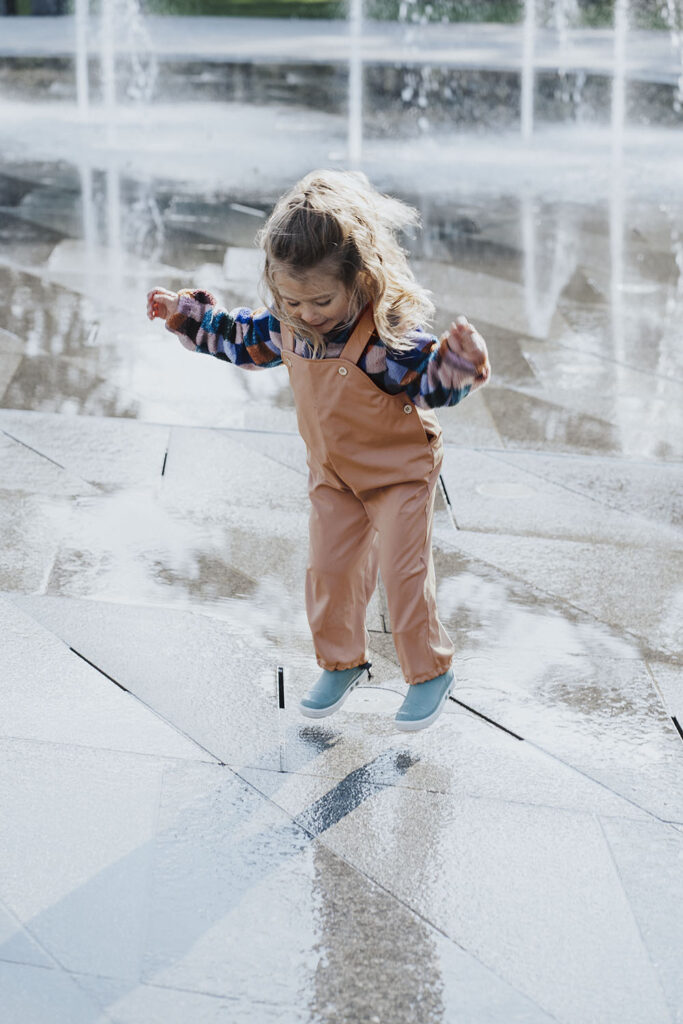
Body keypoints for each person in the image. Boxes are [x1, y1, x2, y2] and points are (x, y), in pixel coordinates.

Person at [147, 169, 490, 732]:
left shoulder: (384, 338)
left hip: (400, 472)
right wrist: (186, 315)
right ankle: (342, 662)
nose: (306, 313)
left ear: (359, 279)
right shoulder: (289, 327)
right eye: (291, 299)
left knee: (403, 576)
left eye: (321, 300)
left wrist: (457, 363)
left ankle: (428, 673)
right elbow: (236, 337)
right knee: (329, 574)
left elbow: (430, 382)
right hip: (334, 476)